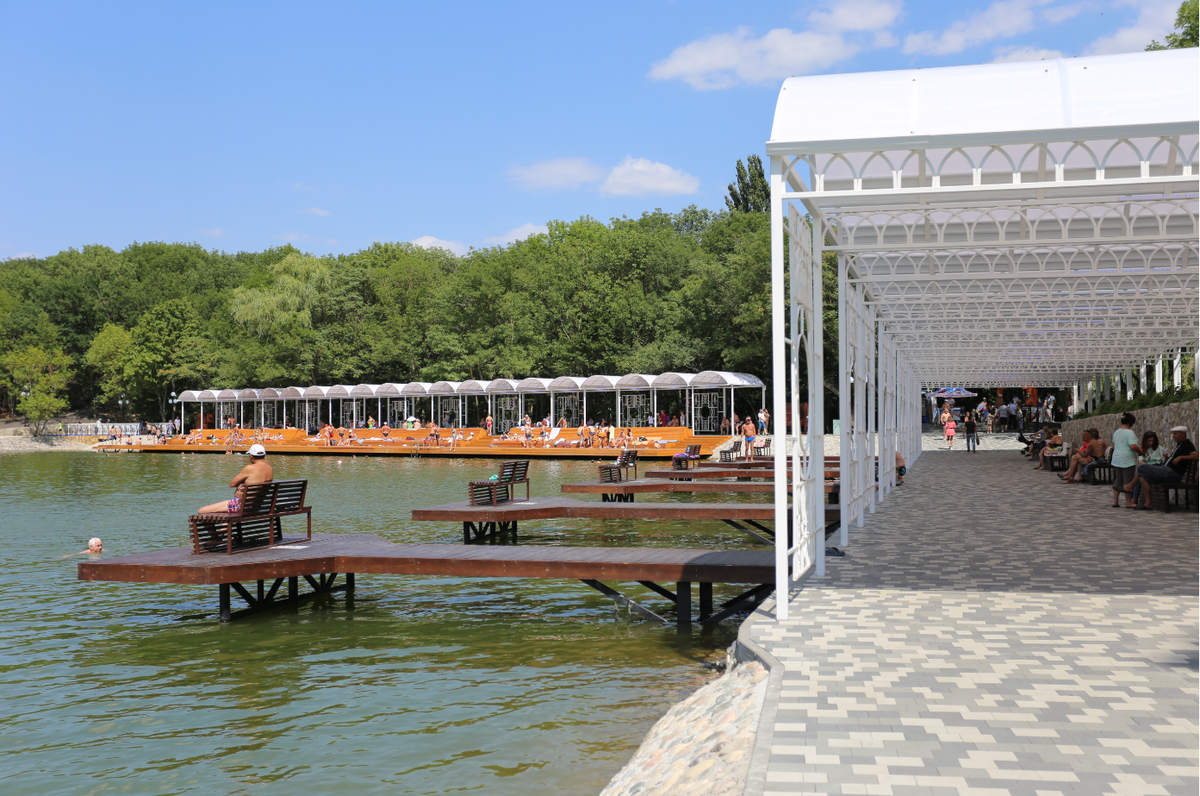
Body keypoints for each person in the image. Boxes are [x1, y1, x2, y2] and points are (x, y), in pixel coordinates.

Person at [1128, 426, 1198, 510]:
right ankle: (1148, 503)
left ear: (1183, 434)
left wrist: (1181, 457)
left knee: (1142, 468)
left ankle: (1130, 486)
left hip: (1172, 474)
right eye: (1173, 434)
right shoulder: (1180, 444)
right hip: (1167, 471)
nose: (1173, 436)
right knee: (1143, 478)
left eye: (1175, 434)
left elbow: (1197, 455)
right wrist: (1168, 458)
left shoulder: (1187, 444)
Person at [197, 444, 273, 515]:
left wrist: (240, 483)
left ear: (251, 456)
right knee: (225, 520)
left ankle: (215, 530)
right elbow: (258, 484)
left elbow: (232, 484)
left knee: (201, 511)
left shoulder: (250, 468)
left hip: (243, 505)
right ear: (264, 455)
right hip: (258, 505)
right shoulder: (270, 469)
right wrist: (243, 483)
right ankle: (225, 528)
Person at [1109, 413, 1140, 507]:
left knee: (1118, 479)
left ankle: (1115, 501)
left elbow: (1113, 445)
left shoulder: (1116, 432)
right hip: (1127, 459)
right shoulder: (1130, 433)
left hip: (1116, 458)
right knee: (1128, 480)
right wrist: (1140, 452)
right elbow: (1133, 446)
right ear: (1131, 423)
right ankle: (1128, 502)